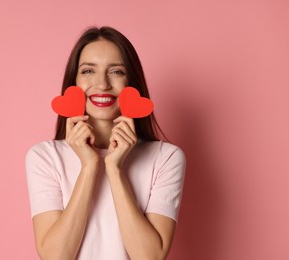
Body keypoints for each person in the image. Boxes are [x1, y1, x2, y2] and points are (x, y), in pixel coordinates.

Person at [25, 26, 186, 260]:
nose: (101, 84)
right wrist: (89, 166)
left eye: (116, 71)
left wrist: (114, 168)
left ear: (133, 83)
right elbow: (55, 257)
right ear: (73, 82)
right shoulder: (44, 157)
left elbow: (149, 257)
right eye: (88, 70)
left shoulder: (166, 158)